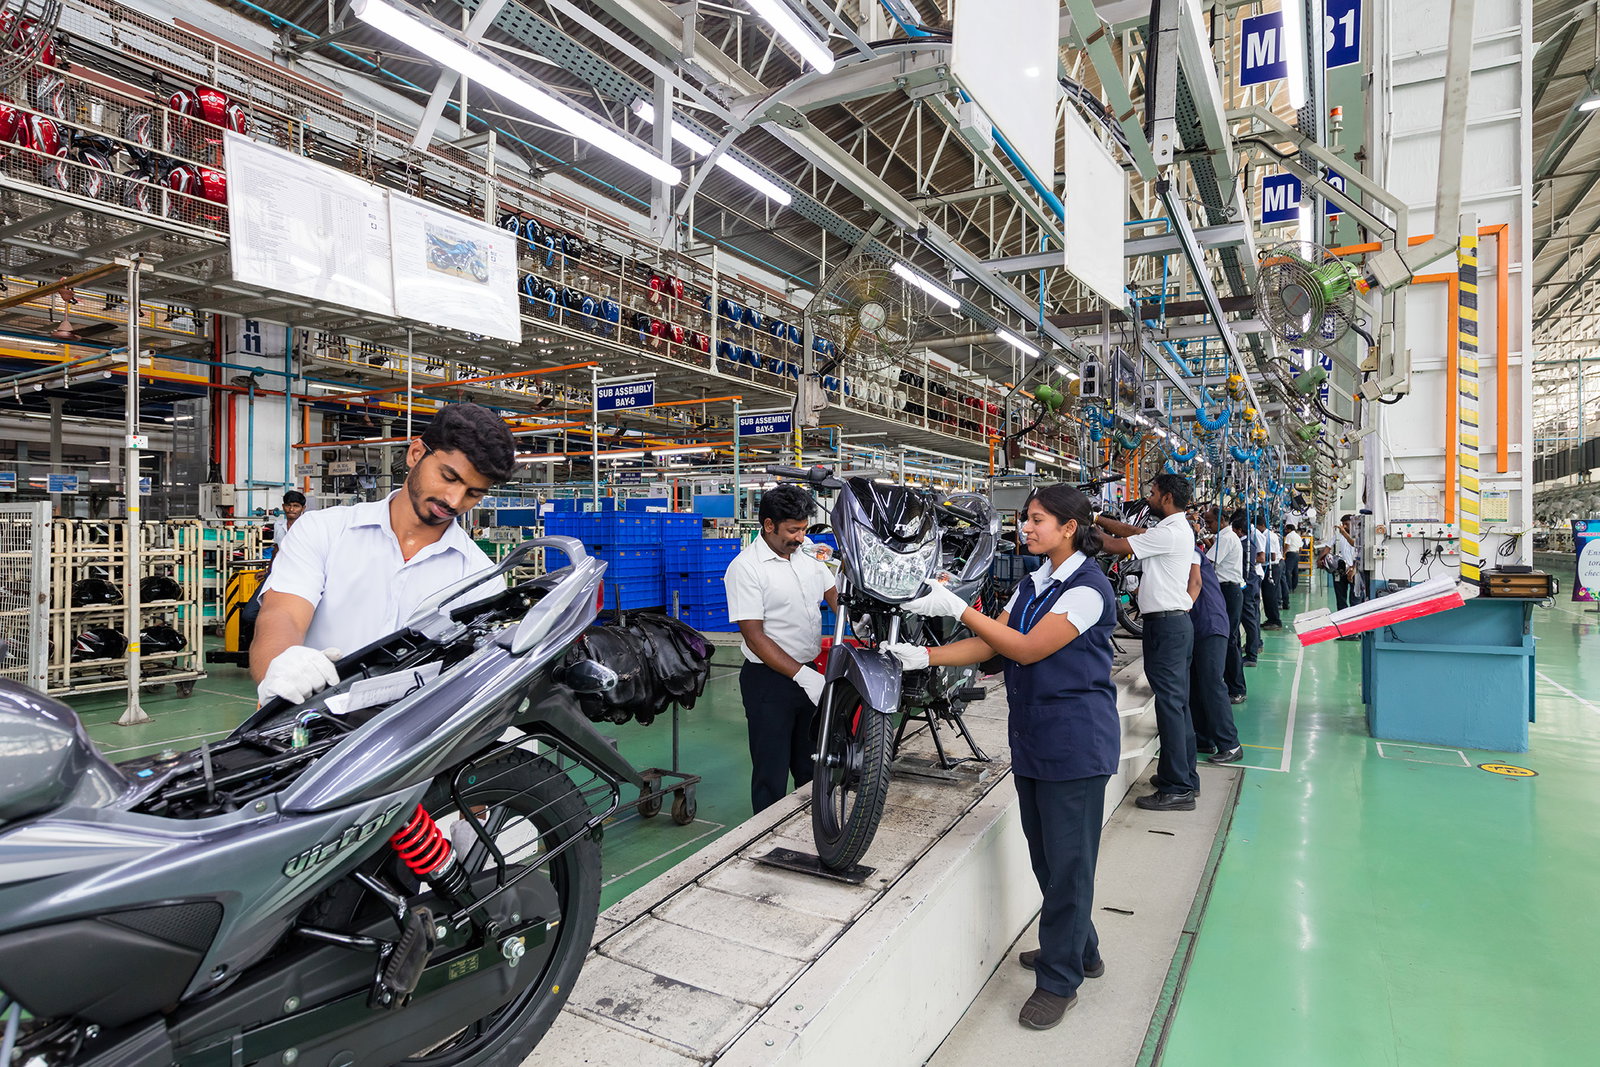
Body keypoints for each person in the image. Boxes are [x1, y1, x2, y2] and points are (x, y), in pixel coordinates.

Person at [883, 484, 1118, 1031]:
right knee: (1048, 859)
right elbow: (993, 644)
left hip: (1075, 744)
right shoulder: (1035, 583)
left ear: (1068, 528)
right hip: (1036, 738)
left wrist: (959, 607)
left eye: (1037, 520)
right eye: (1024, 519)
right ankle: (1081, 949)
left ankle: (1060, 979)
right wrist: (924, 655)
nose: (1026, 528)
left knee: (1069, 866)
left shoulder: (1088, 589)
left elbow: (1027, 648)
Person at [251, 403, 516, 705]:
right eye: (449, 477)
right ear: (416, 454)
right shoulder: (324, 530)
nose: (454, 500)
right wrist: (280, 664)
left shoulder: (480, 578)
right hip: (308, 730)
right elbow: (281, 614)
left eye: (473, 493)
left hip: (405, 744)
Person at [724, 484, 837, 814]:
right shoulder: (746, 568)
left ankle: (809, 828)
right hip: (768, 682)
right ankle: (765, 838)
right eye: (793, 530)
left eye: (803, 529)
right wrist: (803, 675)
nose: (800, 537)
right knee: (770, 774)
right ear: (769, 525)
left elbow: (833, 593)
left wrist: (855, 619)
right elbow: (755, 638)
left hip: (810, 674)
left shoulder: (809, 555)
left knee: (811, 765)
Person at [1096, 473, 1199, 811]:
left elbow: (1115, 545)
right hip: (1175, 624)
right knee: (1177, 704)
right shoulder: (1176, 529)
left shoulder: (1170, 532)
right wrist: (1098, 518)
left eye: (1153, 493)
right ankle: (1183, 774)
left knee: (1170, 706)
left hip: (1167, 627)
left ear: (1166, 497)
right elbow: (1136, 533)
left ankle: (1178, 788)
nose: (1149, 497)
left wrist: (1078, 526)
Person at [1188, 532, 1241, 763]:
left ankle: (1230, 745)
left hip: (1210, 626)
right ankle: (1204, 738)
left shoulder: (1191, 555)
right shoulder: (1185, 555)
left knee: (1212, 683)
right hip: (1199, 628)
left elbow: (1195, 584)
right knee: (1196, 684)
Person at [1207, 510, 1248, 705]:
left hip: (1228, 591)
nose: (1207, 525)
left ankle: (1236, 688)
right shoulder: (1225, 537)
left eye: (1210, 522)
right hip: (1229, 590)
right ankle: (1234, 685)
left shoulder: (1225, 538)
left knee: (1230, 640)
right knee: (1232, 639)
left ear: (1221, 520)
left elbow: (1208, 563)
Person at [1242, 511, 1264, 665]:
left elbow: (1261, 557)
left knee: (1250, 619)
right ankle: (1255, 646)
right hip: (1252, 581)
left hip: (1251, 580)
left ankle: (1252, 652)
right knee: (1253, 618)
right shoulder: (1249, 540)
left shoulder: (1253, 539)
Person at [1258, 516, 1283, 631]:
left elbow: (1272, 556)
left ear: (1261, 525)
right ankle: (1270, 619)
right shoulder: (1264, 535)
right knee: (1267, 595)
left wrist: (1256, 557)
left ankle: (1275, 621)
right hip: (1267, 567)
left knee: (1270, 595)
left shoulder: (1270, 537)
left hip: (1272, 567)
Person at [1283, 522, 1303, 596]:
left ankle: (1288, 586)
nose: (1285, 531)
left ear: (1289, 529)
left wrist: (1283, 553)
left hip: (1291, 554)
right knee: (1295, 571)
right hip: (1297, 554)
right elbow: (1301, 547)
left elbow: (1287, 545)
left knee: (1287, 571)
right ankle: (1294, 587)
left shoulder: (1289, 535)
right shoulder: (1298, 536)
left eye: (1286, 529)